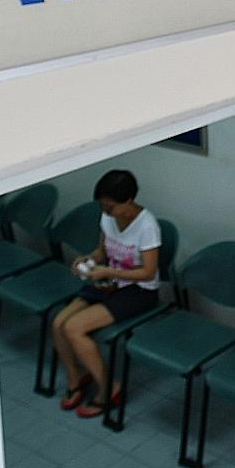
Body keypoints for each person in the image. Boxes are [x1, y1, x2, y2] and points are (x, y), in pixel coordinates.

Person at [51, 169, 162, 419]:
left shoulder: (147, 226)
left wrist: (107, 271)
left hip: (138, 291)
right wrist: (88, 260)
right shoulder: (108, 217)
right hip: (108, 280)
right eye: (103, 206)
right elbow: (103, 250)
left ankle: (109, 388)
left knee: (74, 328)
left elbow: (148, 272)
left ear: (128, 200)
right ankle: (75, 378)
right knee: (58, 322)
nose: (107, 211)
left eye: (111, 207)